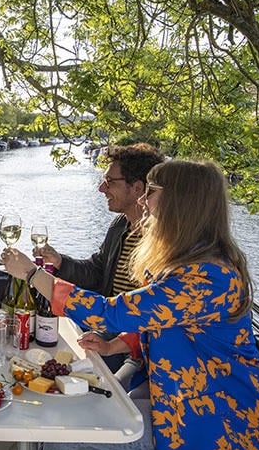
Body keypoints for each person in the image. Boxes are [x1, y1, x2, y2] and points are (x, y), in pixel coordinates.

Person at [0, 160, 259, 450]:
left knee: (73, 425)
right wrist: (117, 345)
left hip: (212, 426)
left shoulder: (207, 277)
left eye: (153, 191)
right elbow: (164, 323)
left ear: (181, 202)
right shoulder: (187, 263)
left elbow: (109, 314)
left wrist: (33, 274)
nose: (143, 199)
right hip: (172, 401)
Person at [32, 144, 165, 380]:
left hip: (141, 345)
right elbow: (97, 272)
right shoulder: (119, 226)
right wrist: (60, 261)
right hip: (109, 329)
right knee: (45, 356)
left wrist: (32, 275)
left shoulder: (165, 242)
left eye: (109, 182)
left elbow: (140, 313)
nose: (101, 188)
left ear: (137, 188)